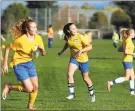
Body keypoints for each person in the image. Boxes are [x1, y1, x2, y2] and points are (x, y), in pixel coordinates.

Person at [2, 17, 45, 110]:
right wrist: (4, 64)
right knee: (29, 89)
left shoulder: (38, 38)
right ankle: (9, 86)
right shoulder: (20, 40)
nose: (35, 29)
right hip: (19, 64)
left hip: (30, 63)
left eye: (36, 27)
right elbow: (7, 48)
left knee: (35, 87)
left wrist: (42, 50)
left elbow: (43, 54)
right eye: (32, 27)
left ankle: (30, 105)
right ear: (27, 29)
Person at [58, 23, 95, 102]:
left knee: (85, 78)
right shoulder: (68, 37)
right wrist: (62, 51)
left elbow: (90, 46)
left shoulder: (80, 36)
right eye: (73, 28)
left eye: (75, 28)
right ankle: (72, 93)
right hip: (74, 59)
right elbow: (68, 44)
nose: (75, 30)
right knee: (69, 74)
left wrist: (81, 51)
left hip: (84, 60)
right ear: (69, 30)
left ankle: (92, 94)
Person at [107, 29, 135, 95]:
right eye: (134, 33)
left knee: (132, 76)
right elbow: (126, 51)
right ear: (130, 34)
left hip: (129, 60)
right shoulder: (128, 41)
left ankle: (132, 92)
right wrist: (133, 54)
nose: (134, 34)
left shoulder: (127, 40)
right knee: (127, 77)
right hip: (127, 60)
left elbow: (119, 49)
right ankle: (111, 83)